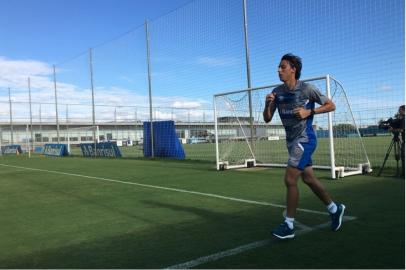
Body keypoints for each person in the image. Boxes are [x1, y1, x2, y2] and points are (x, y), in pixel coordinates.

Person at [263, 53, 345, 239]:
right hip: (291, 142)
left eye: (283, 67)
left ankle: (289, 225)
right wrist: (268, 104)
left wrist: (310, 111)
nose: (279, 70)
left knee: (290, 180)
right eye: (278, 67)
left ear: (293, 69)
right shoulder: (277, 92)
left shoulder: (308, 89)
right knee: (308, 178)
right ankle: (334, 208)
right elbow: (267, 119)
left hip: (305, 139)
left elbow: (331, 105)